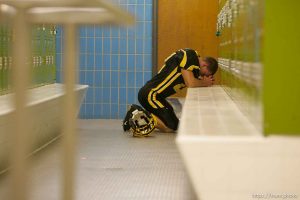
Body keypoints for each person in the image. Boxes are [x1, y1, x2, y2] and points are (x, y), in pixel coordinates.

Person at [123, 48, 218, 137]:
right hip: (151, 94)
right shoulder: (190, 56)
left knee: (175, 125)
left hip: (156, 96)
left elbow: (194, 81)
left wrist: (204, 81)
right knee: (170, 126)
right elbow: (190, 83)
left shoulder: (194, 69)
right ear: (204, 65)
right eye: (205, 74)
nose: (203, 76)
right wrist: (205, 82)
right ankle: (137, 114)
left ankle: (142, 118)